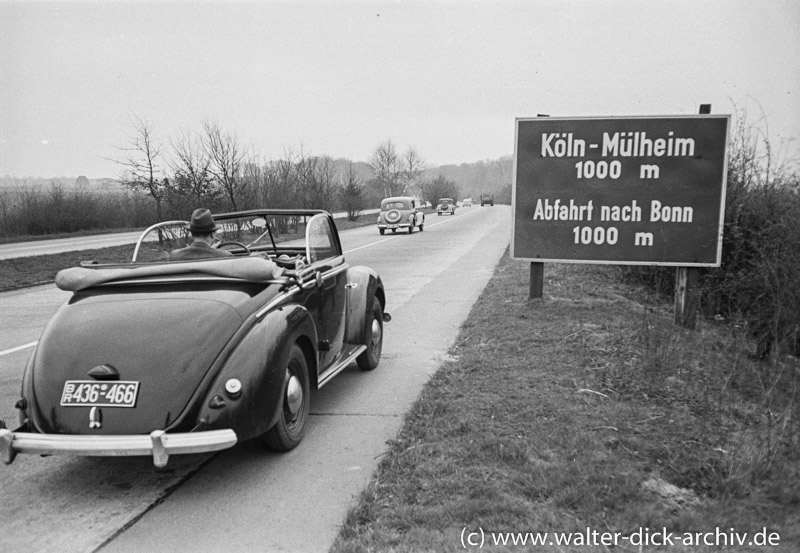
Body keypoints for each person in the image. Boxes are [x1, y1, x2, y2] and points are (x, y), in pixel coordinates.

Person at [169, 208, 234, 260]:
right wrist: (211, 250)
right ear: (212, 234)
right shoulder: (225, 257)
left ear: (192, 233)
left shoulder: (175, 256)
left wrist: (209, 249)